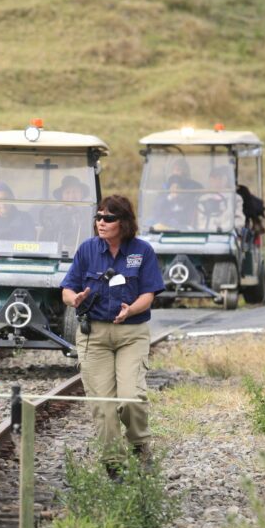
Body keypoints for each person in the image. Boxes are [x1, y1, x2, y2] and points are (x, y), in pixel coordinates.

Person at [60, 195, 165, 477]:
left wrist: (130, 310)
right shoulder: (87, 250)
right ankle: (113, 464)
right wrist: (75, 299)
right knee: (103, 406)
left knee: (131, 399)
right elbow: (67, 288)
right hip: (94, 335)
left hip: (131, 333)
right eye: (98, 217)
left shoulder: (142, 251)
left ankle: (139, 444)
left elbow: (149, 294)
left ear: (124, 222)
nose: (101, 223)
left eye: (108, 218)